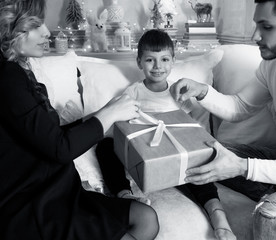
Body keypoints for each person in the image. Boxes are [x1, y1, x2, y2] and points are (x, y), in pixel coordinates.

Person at [0, 0, 159, 239]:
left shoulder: (13, 70)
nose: (46, 32)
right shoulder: (4, 77)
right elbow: (60, 148)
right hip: (27, 202)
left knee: (145, 217)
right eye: (35, 26)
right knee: (141, 223)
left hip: (54, 189)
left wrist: (103, 115)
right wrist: (109, 115)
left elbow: (48, 135)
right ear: (8, 29)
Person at [170, 0, 276, 239]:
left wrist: (242, 167)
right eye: (256, 26)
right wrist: (203, 92)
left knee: (269, 215)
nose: (255, 36)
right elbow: (240, 107)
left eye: (266, 27)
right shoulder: (274, 64)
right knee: (205, 155)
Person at [96, 29, 236, 240]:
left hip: (174, 153)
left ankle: (218, 216)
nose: (158, 66)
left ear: (173, 61)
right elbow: (120, 120)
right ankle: (124, 195)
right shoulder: (133, 91)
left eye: (164, 59)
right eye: (150, 60)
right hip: (143, 150)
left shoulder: (179, 91)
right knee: (105, 146)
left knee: (200, 164)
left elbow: (189, 128)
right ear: (139, 62)